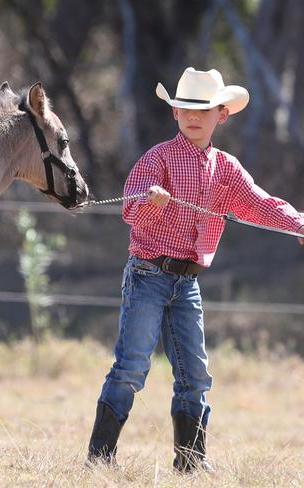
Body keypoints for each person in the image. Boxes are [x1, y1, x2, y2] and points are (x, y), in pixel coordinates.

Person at [86, 67, 304, 472]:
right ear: (174, 113)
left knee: (196, 374)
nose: (193, 116)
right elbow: (130, 212)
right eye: (185, 107)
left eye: (203, 109)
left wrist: (298, 223)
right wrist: (151, 201)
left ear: (222, 114)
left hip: (188, 283)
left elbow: (260, 204)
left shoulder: (227, 168)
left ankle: (190, 463)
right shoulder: (158, 158)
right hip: (148, 274)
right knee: (132, 365)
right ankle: (100, 458)